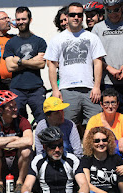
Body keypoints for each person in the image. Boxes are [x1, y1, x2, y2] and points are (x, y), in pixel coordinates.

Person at [44, 2, 106, 137]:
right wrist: (55, 89)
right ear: (67, 17)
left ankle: (92, 156)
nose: (76, 17)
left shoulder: (92, 38)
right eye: (72, 15)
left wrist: (96, 87)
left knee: (96, 127)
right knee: (67, 128)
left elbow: (98, 62)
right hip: (67, 90)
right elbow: (52, 66)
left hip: (90, 90)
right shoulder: (57, 39)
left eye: (79, 14)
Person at [21, 126, 89, 193]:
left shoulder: (72, 160)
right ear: (44, 147)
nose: (57, 150)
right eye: (52, 147)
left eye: (60, 145)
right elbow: (27, 185)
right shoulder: (37, 161)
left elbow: (84, 184)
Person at [0, 90, 33, 193]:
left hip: (18, 161)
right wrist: (15, 138)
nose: (15, 109)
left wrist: (1, 143)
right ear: (0, 109)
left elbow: (29, 140)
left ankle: (20, 182)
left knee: (26, 151)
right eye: (11, 107)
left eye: (15, 106)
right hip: (1, 162)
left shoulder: (22, 120)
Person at [4, 6, 47, 124]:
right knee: (17, 121)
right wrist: (32, 62)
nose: (20, 22)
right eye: (18, 19)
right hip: (17, 89)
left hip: (36, 88)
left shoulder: (39, 41)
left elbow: (41, 64)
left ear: (30, 20)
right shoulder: (10, 43)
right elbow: (9, 67)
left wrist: (20, 61)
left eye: (23, 19)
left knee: (43, 120)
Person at [92, 0, 123, 113]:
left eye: (116, 10)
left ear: (122, 8)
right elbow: (94, 55)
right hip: (106, 81)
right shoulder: (97, 28)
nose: (112, 13)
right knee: (109, 116)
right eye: (108, 10)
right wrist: (109, 68)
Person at [82, 126, 123, 193]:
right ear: (91, 143)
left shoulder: (116, 159)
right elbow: (86, 184)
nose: (101, 143)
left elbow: (121, 183)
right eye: (97, 141)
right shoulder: (86, 159)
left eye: (104, 140)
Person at [85, 88, 123, 156]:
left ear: (118, 104)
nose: (110, 106)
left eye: (113, 102)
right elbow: (86, 142)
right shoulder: (94, 120)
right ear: (101, 104)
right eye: (107, 103)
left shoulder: (122, 118)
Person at [0, 11, 14, 91]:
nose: (8, 20)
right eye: (4, 18)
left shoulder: (13, 39)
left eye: (8, 18)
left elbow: (31, 40)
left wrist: (20, 26)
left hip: (14, 82)